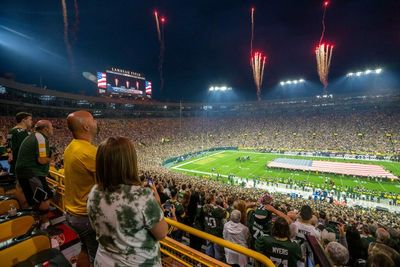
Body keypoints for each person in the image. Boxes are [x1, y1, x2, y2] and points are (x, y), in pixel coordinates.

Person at [87, 137, 168, 266]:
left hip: (104, 261)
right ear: (130, 162)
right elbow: (162, 233)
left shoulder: (93, 193)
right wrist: (157, 202)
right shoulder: (142, 197)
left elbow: (96, 227)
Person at [63, 110, 99, 267]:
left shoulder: (71, 147)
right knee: (97, 257)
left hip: (71, 212)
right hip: (85, 216)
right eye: (93, 119)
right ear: (86, 126)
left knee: (85, 249)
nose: (96, 122)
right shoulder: (90, 153)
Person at [15, 120, 54, 223]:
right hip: (31, 172)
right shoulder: (40, 138)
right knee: (45, 198)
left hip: (23, 171)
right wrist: (51, 158)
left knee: (32, 199)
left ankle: (33, 222)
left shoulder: (33, 136)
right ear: (45, 128)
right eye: (51, 127)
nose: (52, 129)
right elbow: (41, 160)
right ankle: (45, 225)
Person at [7, 112, 33, 207]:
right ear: (24, 120)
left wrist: (10, 154)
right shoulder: (23, 132)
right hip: (24, 164)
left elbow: (8, 145)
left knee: (20, 186)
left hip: (18, 164)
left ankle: (23, 207)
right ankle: (25, 208)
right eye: (30, 119)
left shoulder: (11, 131)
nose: (31, 122)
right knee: (22, 187)